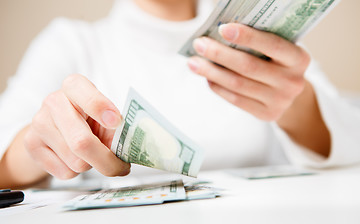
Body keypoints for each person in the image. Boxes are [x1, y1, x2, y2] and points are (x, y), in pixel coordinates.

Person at [0, 0, 359, 189]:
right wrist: (35, 148)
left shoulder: (255, 34)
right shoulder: (71, 42)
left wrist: (295, 103)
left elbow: (349, 140)